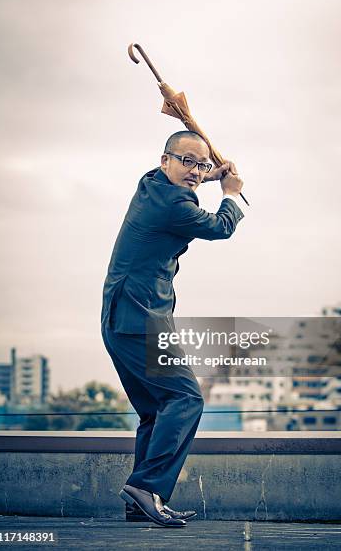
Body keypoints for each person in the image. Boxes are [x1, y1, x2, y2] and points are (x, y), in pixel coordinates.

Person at [101, 130, 244, 527]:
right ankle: (148, 487)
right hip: (139, 319)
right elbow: (220, 227)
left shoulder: (150, 185)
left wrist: (208, 175)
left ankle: (140, 501)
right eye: (187, 162)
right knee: (185, 399)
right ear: (165, 160)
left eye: (201, 164)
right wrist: (230, 192)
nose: (195, 171)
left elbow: (183, 178)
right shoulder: (174, 205)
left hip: (121, 319)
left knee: (154, 411)